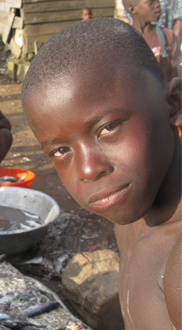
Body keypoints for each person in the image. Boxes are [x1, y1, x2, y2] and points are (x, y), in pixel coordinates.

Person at [21, 18, 181, 330]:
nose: (88, 169)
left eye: (108, 128)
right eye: (60, 151)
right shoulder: (132, 214)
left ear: (173, 105)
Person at [123, 0, 182, 81]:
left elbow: (174, 80)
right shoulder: (124, 40)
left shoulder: (167, 36)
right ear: (133, 9)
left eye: (157, 1)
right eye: (150, 2)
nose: (158, 5)